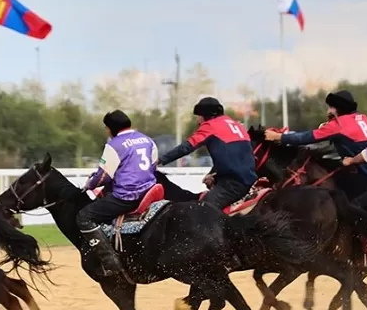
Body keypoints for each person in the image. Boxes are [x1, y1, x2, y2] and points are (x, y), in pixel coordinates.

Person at [78, 110, 158, 278]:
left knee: (84, 216)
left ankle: (111, 262)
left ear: (111, 128)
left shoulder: (114, 145)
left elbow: (103, 176)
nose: (107, 131)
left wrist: (90, 183)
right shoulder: (147, 140)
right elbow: (154, 164)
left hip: (127, 197)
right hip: (150, 192)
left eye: (107, 128)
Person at [264, 90, 367, 199]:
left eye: (331, 108)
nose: (328, 111)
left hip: (362, 177)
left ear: (339, 108)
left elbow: (307, 137)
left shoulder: (339, 125)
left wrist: (279, 137)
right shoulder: (362, 118)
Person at [158, 97, 257, 210]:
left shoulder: (210, 126)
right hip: (247, 178)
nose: (198, 121)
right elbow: (233, 156)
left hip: (233, 183)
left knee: (202, 211)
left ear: (207, 115)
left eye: (199, 116)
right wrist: (214, 174)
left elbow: (187, 147)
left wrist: (161, 160)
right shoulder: (236, 125)